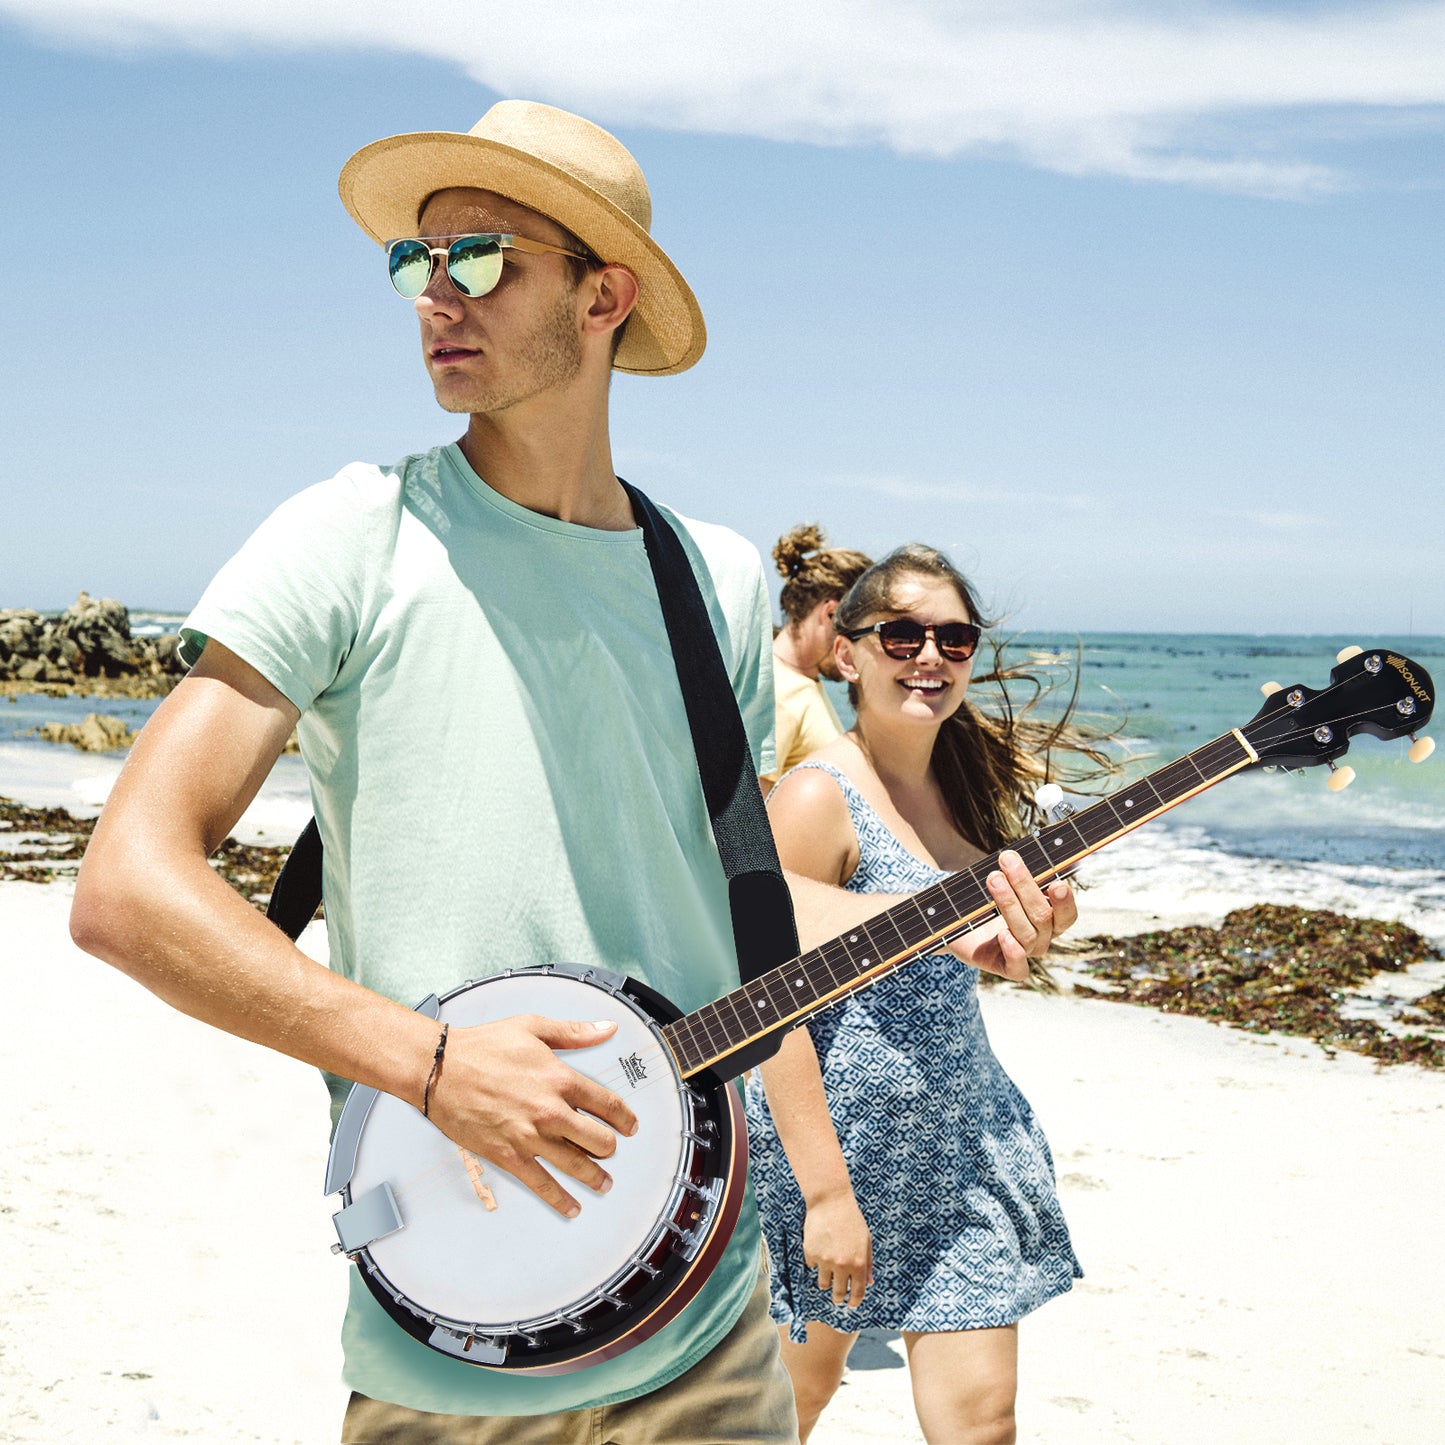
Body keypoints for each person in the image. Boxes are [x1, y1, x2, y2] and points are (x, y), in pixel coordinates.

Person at [69, 101, 1075, 1444]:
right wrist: (431, 1063)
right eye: (416, 261)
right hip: (463, 1338)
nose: (437, 294)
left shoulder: (711, 579)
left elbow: (740, 914)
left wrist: (941, 922)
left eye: (482, 257)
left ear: (604, 296)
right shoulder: (350, 537)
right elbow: (127, 888)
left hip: (709, 1324)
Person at [747, 544, 1115, 1445]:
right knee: (783, 1411)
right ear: (846, 653)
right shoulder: (817, 795)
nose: (929, 655)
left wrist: (1026, 937)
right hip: (834, 1153)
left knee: (983, 1422)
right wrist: (825, 1195)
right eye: (902, 634)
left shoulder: (964, 787)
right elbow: (762, 1008)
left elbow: (964, 962)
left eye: (953, 638)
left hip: (959, 1144)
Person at [761, 525, 872, 795]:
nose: (861, 650)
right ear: (830, 613)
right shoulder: (778, 693)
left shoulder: (799, 683)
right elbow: (751, 809)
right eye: (859, 634)